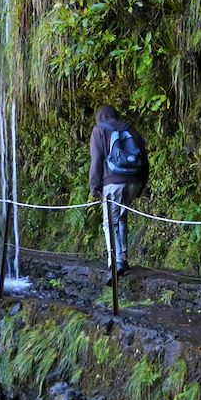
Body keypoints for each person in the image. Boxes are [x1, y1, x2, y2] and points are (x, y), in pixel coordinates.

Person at [89, 105, 148, 284]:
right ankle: (123, 259)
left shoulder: (99, 131)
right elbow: (144, 159)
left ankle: (114, 264)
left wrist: (94, 186)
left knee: (109, 222)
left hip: (113, 183)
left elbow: (97, 160)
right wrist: (142, 184)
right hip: (134, 181)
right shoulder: (131, 129)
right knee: (121, 218)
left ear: (99, 117)